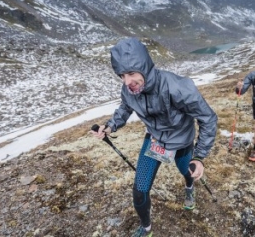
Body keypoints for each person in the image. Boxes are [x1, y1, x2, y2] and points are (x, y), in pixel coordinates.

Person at [91, 38, 218, 237]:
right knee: (139, 190)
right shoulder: (129, 89)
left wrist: (199, 157)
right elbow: (125, 107)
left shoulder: (177, 87)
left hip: (181, 141)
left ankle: (189, 187)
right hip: (155, 140)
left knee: (187, 171)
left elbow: (208, 118)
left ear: (145, 68)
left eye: (131, 73)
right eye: (122, 76)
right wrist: (110, 126)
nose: (127, 82)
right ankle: (146, 229)